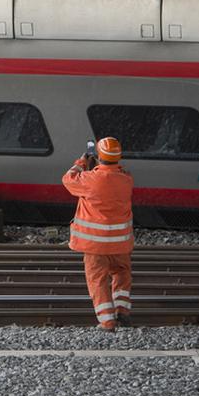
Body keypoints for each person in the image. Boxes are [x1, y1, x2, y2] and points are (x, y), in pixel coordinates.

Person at [62, 138, 135, 331]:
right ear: (118, 157)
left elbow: (68, 179)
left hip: (94, 245)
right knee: (121, 273)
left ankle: (107, 322)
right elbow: (116, 176)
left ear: (99, 156)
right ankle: (122, 312)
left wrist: (81, 162)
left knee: (98, 280)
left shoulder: (88, 179)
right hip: (120, 244)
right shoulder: (126, 180)